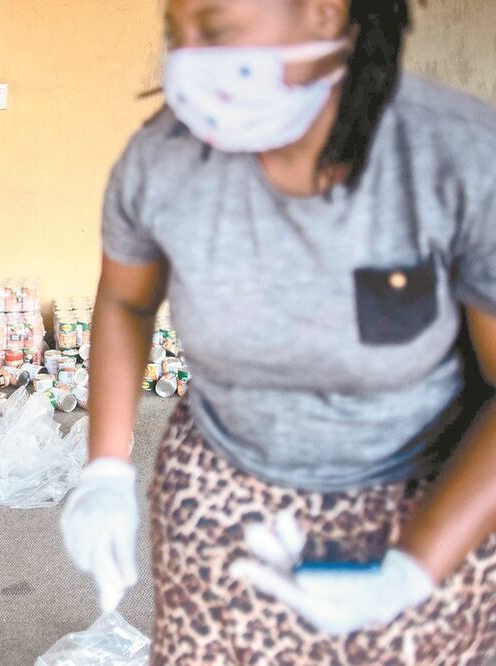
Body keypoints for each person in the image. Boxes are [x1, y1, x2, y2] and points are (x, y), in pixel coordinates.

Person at [60, 0, 496, 663]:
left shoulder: (457, 158)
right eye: (176, 35)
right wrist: (105, 470)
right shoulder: (161, 162)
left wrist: (412, 568)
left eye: (215, 28)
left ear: (323, 13)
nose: (186, 61)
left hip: (421, 498)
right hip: (222, 488)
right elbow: (124, 303)